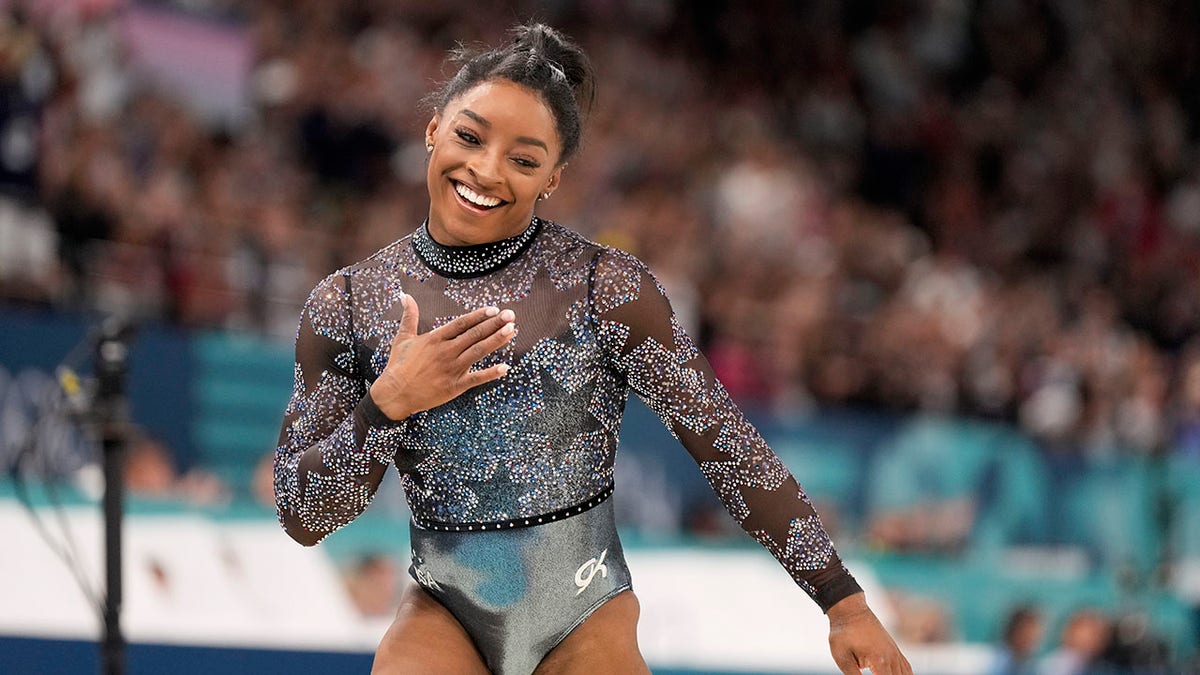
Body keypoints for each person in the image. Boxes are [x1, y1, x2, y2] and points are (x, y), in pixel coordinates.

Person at [272, 22, 911, 675]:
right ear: (433, 129)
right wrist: (385, 408)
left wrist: (843, 601)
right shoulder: (349, 303)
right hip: (443, 610)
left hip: (585, 614)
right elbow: (302, 515)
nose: (485, 170)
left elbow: (729, 448)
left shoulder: (606, 289)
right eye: (469, 136)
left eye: (523, 159)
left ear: (554, 177)